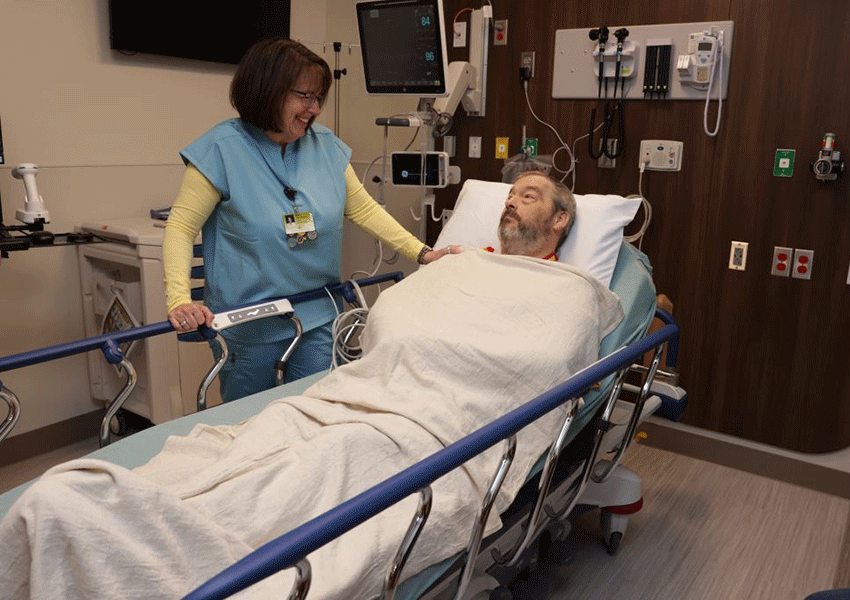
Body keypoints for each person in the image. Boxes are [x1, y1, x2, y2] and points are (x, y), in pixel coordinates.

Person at [1, 181, 625, 600]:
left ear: (562, 220)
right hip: (352, 398)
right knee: (272, 445)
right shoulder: (458, 264)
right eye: (509, 194)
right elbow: (396, 321)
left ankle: (163, 549)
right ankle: (130, 525)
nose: (513, 201)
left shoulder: (571, 291)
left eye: (531, 195)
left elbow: (548, 356)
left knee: (336, 463)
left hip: (428, 429)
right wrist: (431, 297)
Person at [163, 38, 456, 402]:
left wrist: (423, 253)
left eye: (319, 99)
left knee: (315, 413)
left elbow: (362, 209)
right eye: (305, 96)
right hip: (250, 323)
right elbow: (180, 228)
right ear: (267, 90)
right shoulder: (222, 149)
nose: (314, 109)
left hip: (318, 312)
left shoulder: (326, 146)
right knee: (249, 425)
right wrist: (179, 299)